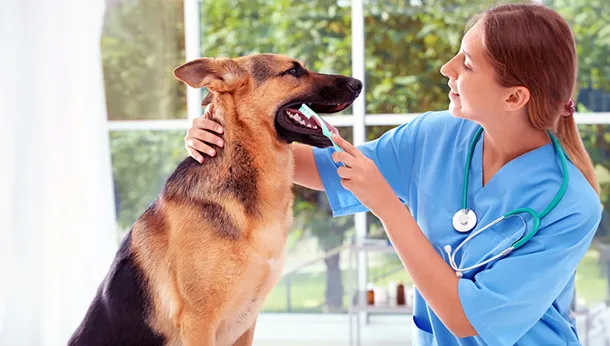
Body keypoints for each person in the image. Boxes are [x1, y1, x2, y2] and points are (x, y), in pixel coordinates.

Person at [183, 3, 602, 345]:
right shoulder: (435, 136)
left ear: (514, 96)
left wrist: (386, 205)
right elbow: (322, 167)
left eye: (468, 63)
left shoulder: (571, 205)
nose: (447, 68)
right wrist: (226, 134)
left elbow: (464, 318)